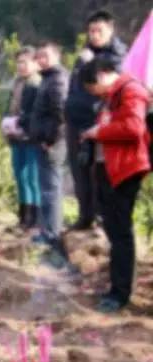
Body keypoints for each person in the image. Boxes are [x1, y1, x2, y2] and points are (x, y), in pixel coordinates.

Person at [79, 58, 151, 312]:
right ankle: (116, 285)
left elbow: (133, 128)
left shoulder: (131, 90)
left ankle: (120, 294)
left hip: (125, 169)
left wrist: (99, 132)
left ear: (100, 76)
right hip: (109, 169)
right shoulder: (113, 95)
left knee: (120, 232)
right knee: (113, 228)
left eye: (91, 88)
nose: (93, 94)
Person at [65, 10, 127, 231]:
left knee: (99, 172)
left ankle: (102, 218)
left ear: (110, 30)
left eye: (99, 30)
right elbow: (74, 84)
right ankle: (85, 215)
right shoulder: (85, 53)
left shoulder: (117, 54)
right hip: (75, 119)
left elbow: (116, 81)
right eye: (91, 30)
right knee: (79, 169)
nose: (94, 35)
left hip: (98, 120)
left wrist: (96, 62)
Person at [29, 42, 69, 247]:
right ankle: (47, 230)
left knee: (51, 188)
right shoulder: (48, 78)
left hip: (52, 143)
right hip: (45, 141)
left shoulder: (57, 79)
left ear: (56, 56)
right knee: (46, 187)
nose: (41, 60)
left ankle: (52, 234)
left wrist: (49, 140)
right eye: (39, 56)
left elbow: (60, 113)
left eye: (45, 56)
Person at [1, 47, 42, 229]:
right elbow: (10, 108)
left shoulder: (37, 84)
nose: (22, 66)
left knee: (32, 178)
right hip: (16, 136)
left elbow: (36, 113)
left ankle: (35, 218)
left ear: (35, 63)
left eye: (25, 62)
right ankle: (23, 216)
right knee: (20, 176)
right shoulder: (17, 83)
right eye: (19, 62)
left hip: (31, 138)